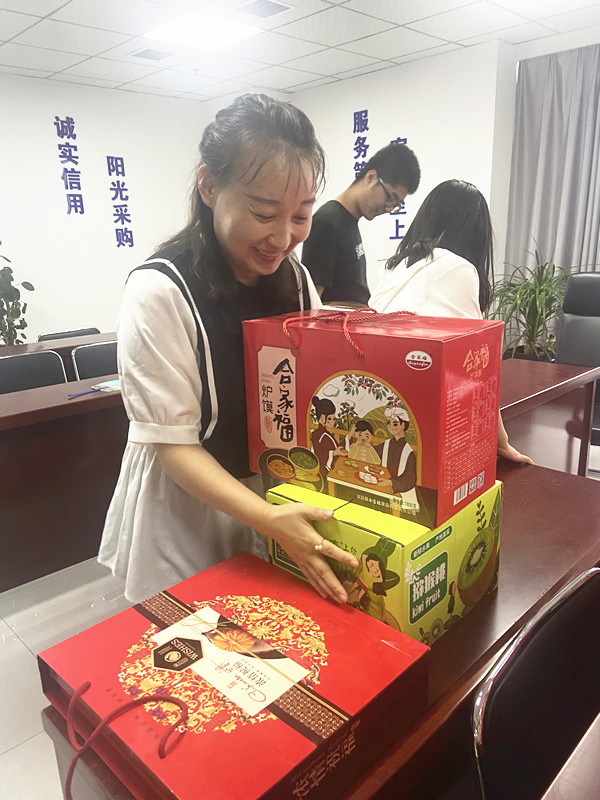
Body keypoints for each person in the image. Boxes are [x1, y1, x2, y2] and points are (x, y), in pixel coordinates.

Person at [98, 94, 359, 604]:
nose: (282, 238)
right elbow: (174, 446)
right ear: (209, 186)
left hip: (274, 497)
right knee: (199, 637)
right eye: (264, 213)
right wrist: (268, 519)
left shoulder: (296, 280)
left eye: (301, 216)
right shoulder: (159, 290)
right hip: (190, 509)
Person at [370, 179, 533, 464]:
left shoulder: (395, 264)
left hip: (378, 402)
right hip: (422, 419)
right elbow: (478, 367)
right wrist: (502, 441)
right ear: (476, 233)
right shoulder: (459, 268)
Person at [301, 142, 421, 305]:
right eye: (390, 198)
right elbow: (311, 302)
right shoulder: (327, 222)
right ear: (371, 178)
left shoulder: (348, 220)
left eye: (396, 204)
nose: (389, 209)